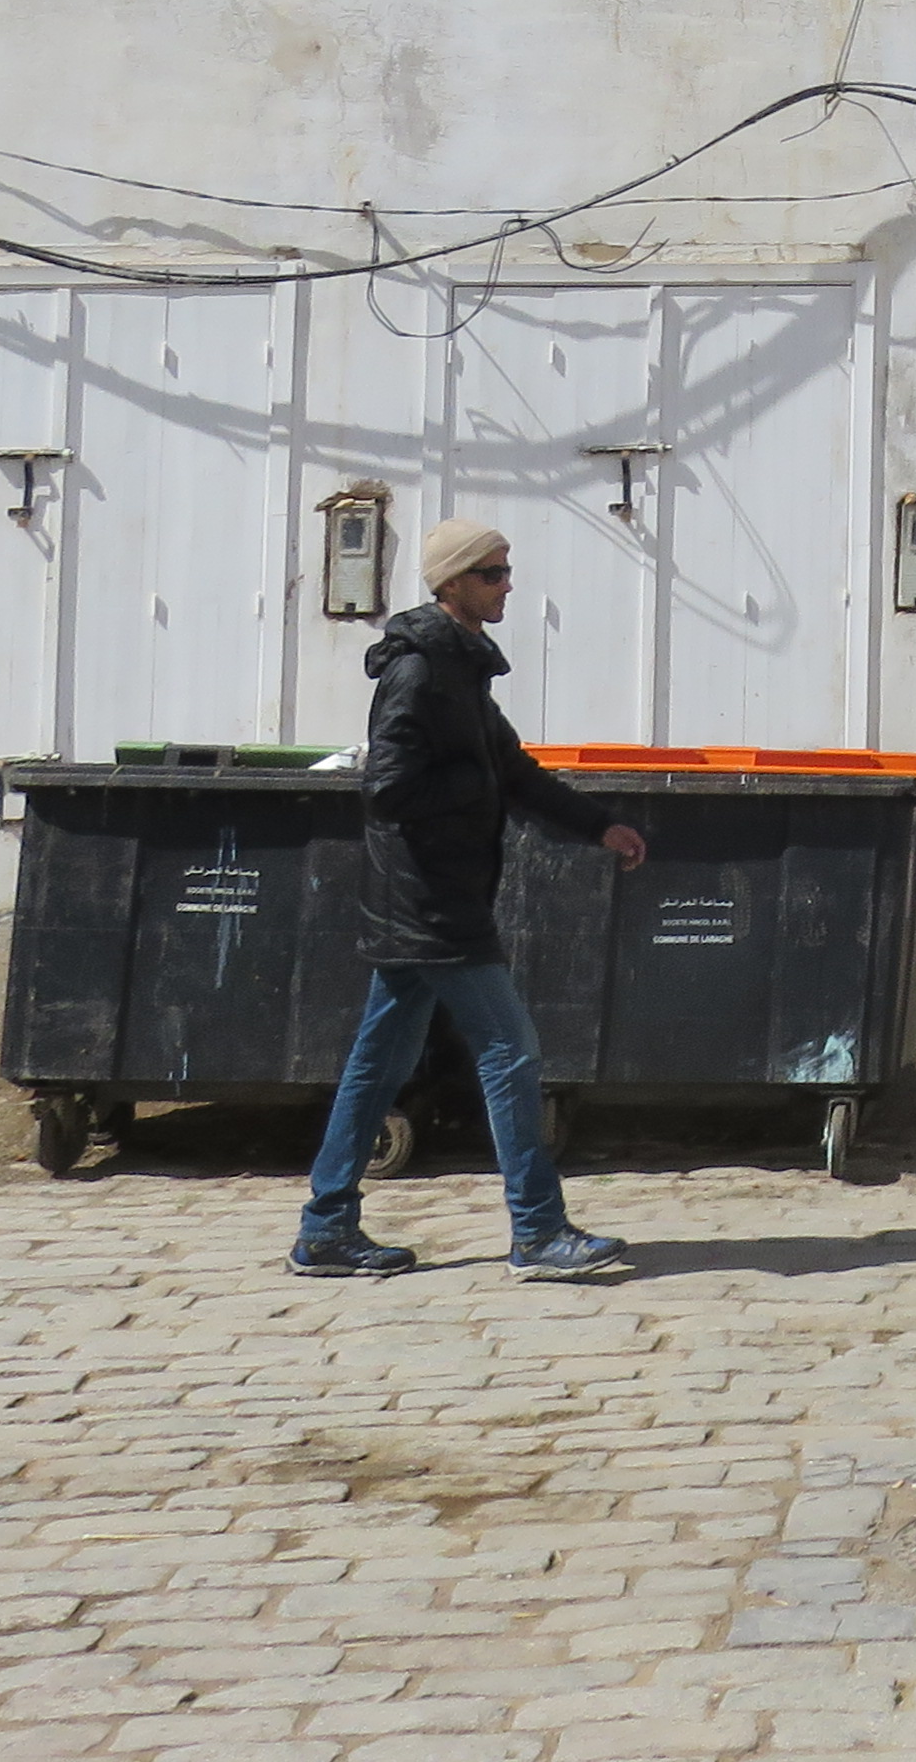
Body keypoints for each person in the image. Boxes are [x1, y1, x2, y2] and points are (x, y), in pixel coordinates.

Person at [292, 521, 649, 1282]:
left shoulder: (461, 671)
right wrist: (472, 783)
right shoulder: (419, 673)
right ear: (452, 583)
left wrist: (600, 827)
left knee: (377, 1063)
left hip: (430, 898)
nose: (506, 584)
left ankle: (325, 1231)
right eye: (491, 573)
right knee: (509, 1051)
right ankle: (538, 1231)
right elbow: (388, 789)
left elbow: (513, 771)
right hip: (429, 902)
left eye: (506, 569)